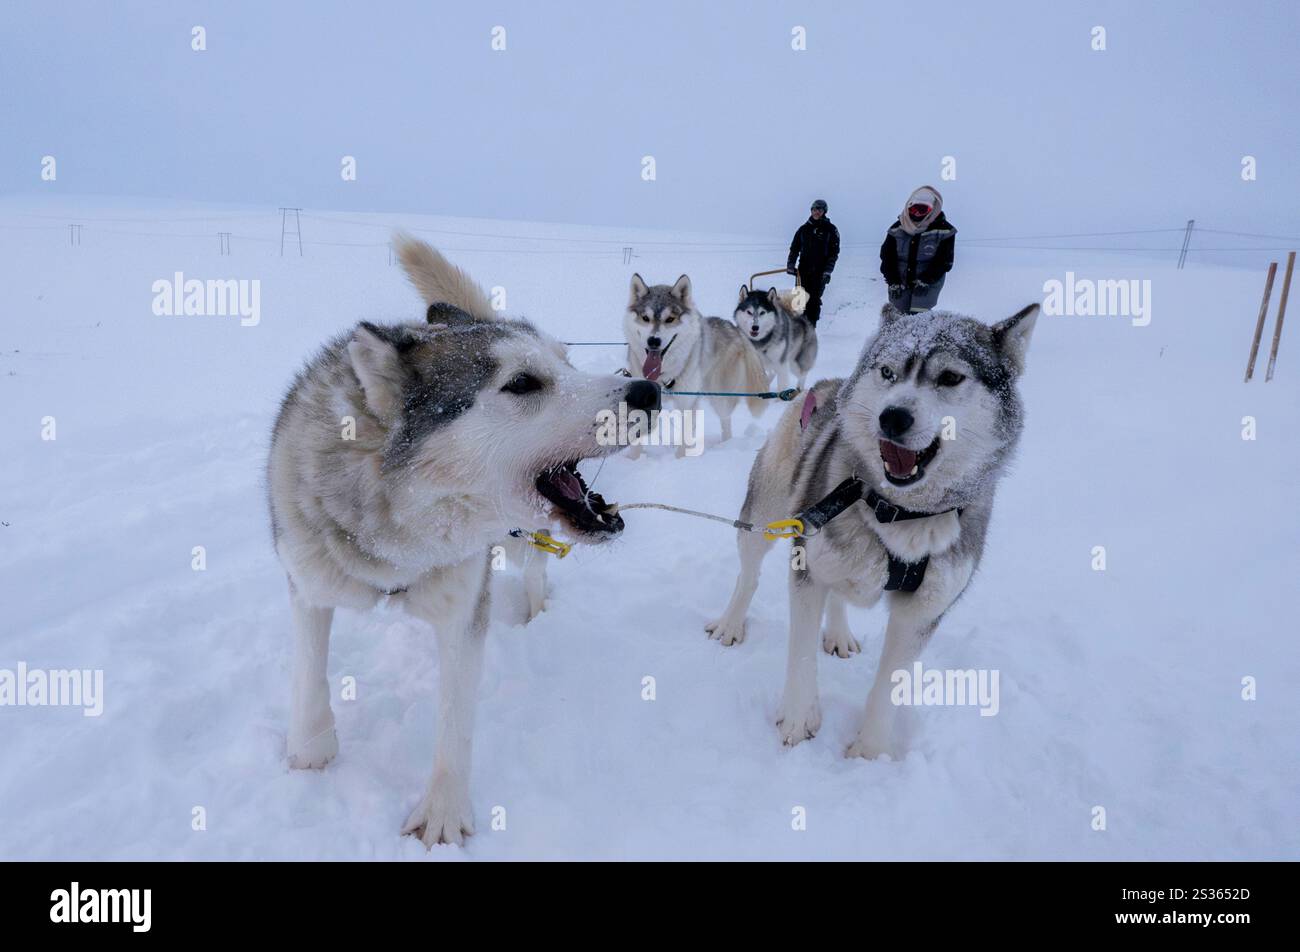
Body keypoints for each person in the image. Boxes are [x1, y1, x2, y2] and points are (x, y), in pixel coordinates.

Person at [879, 185, 956, 313]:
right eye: (914, 208)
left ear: (932, 209)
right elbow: (887, 256)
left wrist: (926, 280)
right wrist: (893, 281)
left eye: (923, 209)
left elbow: (944, 261)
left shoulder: (944, 231)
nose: (917, 213)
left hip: (927, 284)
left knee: (918, 318)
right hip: (900, 281)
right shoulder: (896, 229)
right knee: (898, 318)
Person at [786, 199, 840, 326]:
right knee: (798, 301)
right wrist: (790, 265)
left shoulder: (831, 230)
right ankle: (797, 330)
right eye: (814, 209)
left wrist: (827, 271)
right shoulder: (803, 229)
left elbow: (834, 253)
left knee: (813, 301)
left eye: (819, 210)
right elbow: (794, 249)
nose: (816, 212)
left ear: (824, 212)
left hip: (820, 272)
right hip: (803, 270)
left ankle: (810, 330)